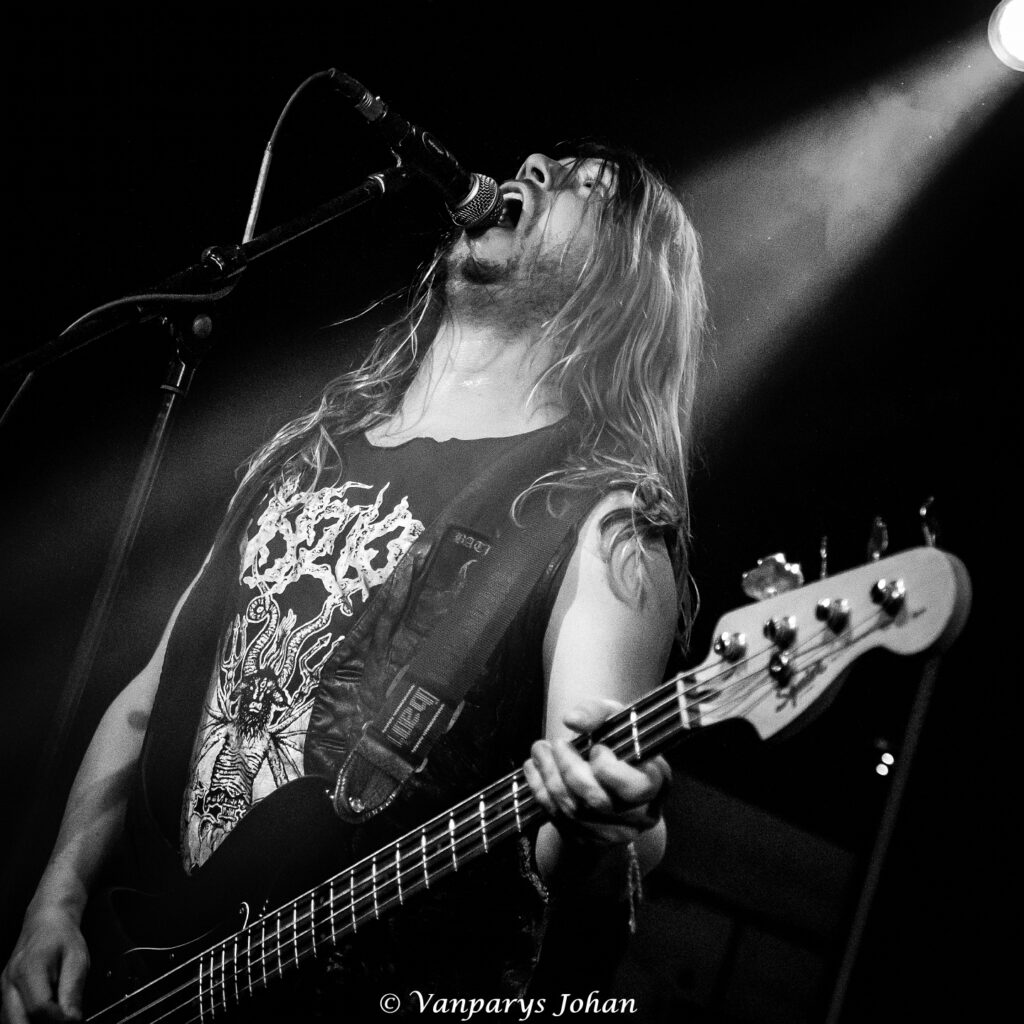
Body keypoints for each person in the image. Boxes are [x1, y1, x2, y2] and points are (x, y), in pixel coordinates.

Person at [1, 142, 706, 1022]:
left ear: (624, 279)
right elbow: (151, 699)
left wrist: (611, 828)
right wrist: (56, 899)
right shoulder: (307, 448)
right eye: (543, 159)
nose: (533, 164)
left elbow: (592, 810)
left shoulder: (602, 522)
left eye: (583, 186)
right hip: (135, 974)